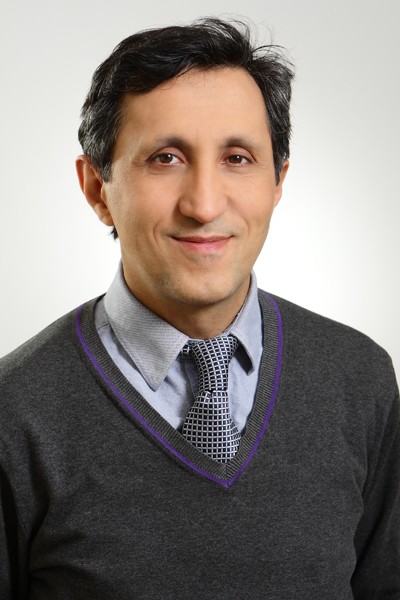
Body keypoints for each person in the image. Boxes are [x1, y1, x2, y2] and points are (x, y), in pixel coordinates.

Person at [0, 17, 399, 600]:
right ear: (96, 189)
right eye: (166, 158)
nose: (205, 205)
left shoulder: (360, 379)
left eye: (237, 157)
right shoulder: (14, 413)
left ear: (278, 182)